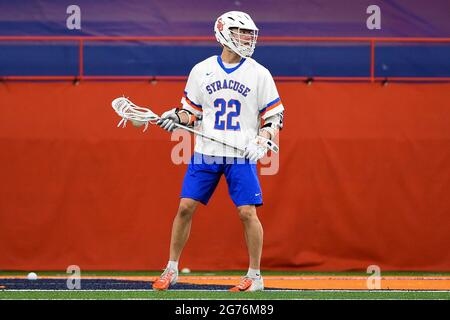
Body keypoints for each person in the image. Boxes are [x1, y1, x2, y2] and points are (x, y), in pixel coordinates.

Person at [152, 11, 284, 292]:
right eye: (241, 32)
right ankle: (171, 269)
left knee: (247, 213)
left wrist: (264, 137)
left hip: (241, 153)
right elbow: (191, 113)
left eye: (249, 33)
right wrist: (176, 117)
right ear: (224, 33)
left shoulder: (259, 73)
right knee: (185, 207)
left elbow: (275, 118)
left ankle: (255, 276)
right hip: (206, 151)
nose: (247, 38)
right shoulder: (201, 70)